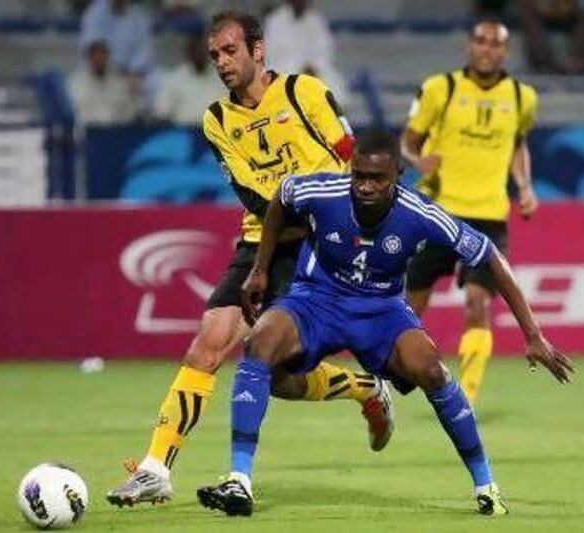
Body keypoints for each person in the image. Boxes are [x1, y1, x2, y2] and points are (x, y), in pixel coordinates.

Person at [196, 129, 574, 517]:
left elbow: (489, 255)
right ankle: (239, 481)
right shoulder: (324, 193)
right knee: (259, 347)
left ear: (397, 175)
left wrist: (533, 335)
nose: (364, 186)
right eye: (358, 175)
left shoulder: (420, 213)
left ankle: (486, 486)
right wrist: (260, 268)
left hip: (381, 311)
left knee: (431, 370)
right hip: (316, 300)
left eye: (376, 178)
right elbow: (281, 198)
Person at [106, 10, 393, 507]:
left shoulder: (307, 94)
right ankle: (156, 467)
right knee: (208, 344)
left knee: (281, 378)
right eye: (215, 54)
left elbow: (353, 161)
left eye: (230, 51)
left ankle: (366, 388)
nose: (221, 62)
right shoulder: (217, 120)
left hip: (317, 246)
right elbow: (254, 197)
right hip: (262, 240)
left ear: (257, 50)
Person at [400, 19, 540, 405]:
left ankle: (468, 398)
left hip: (488, 217)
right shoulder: (438, 89)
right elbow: (408, 142)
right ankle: (392, 379)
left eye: (496, 44)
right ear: (469, 46)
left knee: (478, 303)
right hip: (437, 213)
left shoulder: (521, 96)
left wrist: (525, 187)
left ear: (505, 52)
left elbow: (518, 144)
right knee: (410, 307)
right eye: (480, 41)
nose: (487, 49)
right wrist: (419, 160)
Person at [263, 0, 346, 100]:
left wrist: (313, 66)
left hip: (314, 71)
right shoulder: (274, 21)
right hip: (283, 70)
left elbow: (325, 50)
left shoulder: (316, 20)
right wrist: (299, 69)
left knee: (335, 84)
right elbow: (271, 55)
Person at [154, 34, 223, 125]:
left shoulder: (222, 78)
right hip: (183, 131)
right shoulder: (174, 78)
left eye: (202, 51)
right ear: (187, 53)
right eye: (195, 51)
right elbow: (162, 112)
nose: (198, 54)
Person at [67, 40, 139, 126]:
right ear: (89, 58)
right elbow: (72, 112)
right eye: (96, 56)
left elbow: (129, 112)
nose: (99, 59)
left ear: (107, 57)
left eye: (103, 55)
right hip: (87, 131)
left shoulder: (118, 84)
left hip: (114, 131)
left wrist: (134, 94)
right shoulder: (76, 83)